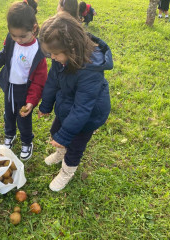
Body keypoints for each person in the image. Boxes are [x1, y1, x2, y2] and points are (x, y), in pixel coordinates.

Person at [38, 12, 113, 191]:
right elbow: (52, 81)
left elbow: (82, 108)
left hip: (88, 115)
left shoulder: (90, 71)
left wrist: (65, 137)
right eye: (50, 54)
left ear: (71, 49)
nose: (52, 58)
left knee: (75, 146)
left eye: (55, 54)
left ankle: (67, 171)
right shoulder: (61, 59)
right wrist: (46, 105)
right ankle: (60, 153)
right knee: (55, 130)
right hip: (67, 104)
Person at [0, 0, 48, 161]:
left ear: (33, 29)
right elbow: (4, 52)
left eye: (22, 36)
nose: (18, 40)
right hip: (10, 87)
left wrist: (31, 101)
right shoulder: (11, 39)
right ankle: (10, 135)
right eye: (14, 35)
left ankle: (27, 142)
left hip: (25, 91)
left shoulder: (38, 52)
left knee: (23, 118)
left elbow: (39, 81)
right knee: (9, 114)